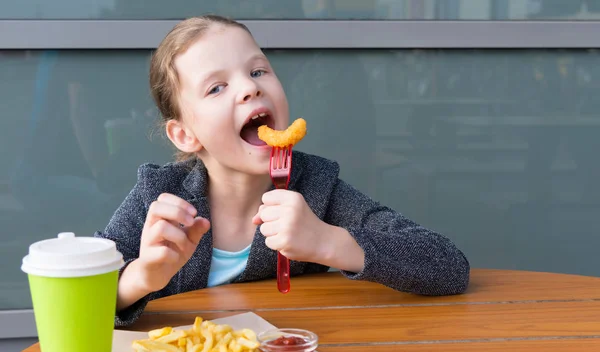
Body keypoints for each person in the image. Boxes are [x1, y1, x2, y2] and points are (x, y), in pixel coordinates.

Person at [94, 15, 470, 327]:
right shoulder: (158, 197)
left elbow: (448, 266)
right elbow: (83, 295)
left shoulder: (316, 188)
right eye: (217, 87)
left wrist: (327, 242)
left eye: (258, 71)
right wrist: (141, 277)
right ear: (185, 134)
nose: (248, 89)